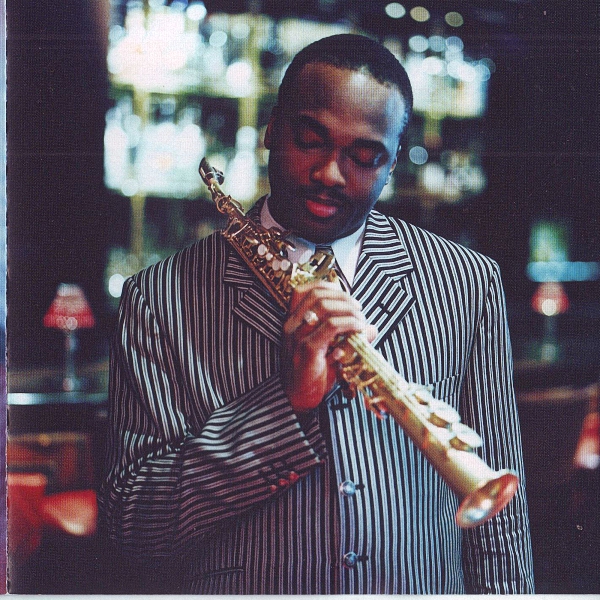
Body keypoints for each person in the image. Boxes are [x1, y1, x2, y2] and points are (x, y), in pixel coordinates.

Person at [99, 34, 534, 594]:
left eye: (365, 157)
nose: (331, 173)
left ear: (393, 162)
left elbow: (500, 521)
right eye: (310, 140)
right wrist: (285, 403)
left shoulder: (467, 281)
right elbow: (133, 526)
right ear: (271, 130)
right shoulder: (155, 299)